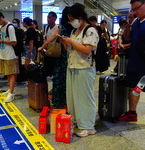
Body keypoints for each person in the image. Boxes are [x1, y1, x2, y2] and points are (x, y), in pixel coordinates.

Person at [118, 0, 145, 132]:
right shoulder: (136, 21)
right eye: (133, 9)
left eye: (137, 8)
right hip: (134, 60)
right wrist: (126, 29)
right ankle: (132, 113)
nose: (134, 12)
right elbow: (128, 38)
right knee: (133, 88)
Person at [60, 3, 99, 137]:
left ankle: (88, 126)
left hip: (85, 68)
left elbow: (87, 50)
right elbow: (71, 51)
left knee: (85, 98)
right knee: (73, 97)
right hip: (72, 66)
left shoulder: (90, 30)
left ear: (80, 17)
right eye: (70, 19)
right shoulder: (73, 31)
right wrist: (66, 43)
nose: (71, 22)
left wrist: (71, 42)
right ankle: (77, 120)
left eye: (72, 19)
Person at [38, 7, 74, 108]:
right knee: (68, 80)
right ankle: (68, 104)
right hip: (70, 56)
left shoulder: (61, 27)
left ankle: (59, 103)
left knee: (59, 79)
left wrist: (42, 47)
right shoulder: (75, 28)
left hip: (61, 56)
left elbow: (50, 39)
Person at [0, 10, 19, 102]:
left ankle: (11, 93)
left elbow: (14, 42)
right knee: (7, 73)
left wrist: (1, 41)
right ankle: (11, 90)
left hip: (10, 54)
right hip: (3, 54)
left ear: (1, 17)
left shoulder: (10, 27)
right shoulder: (2, 27)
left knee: (11, 73)